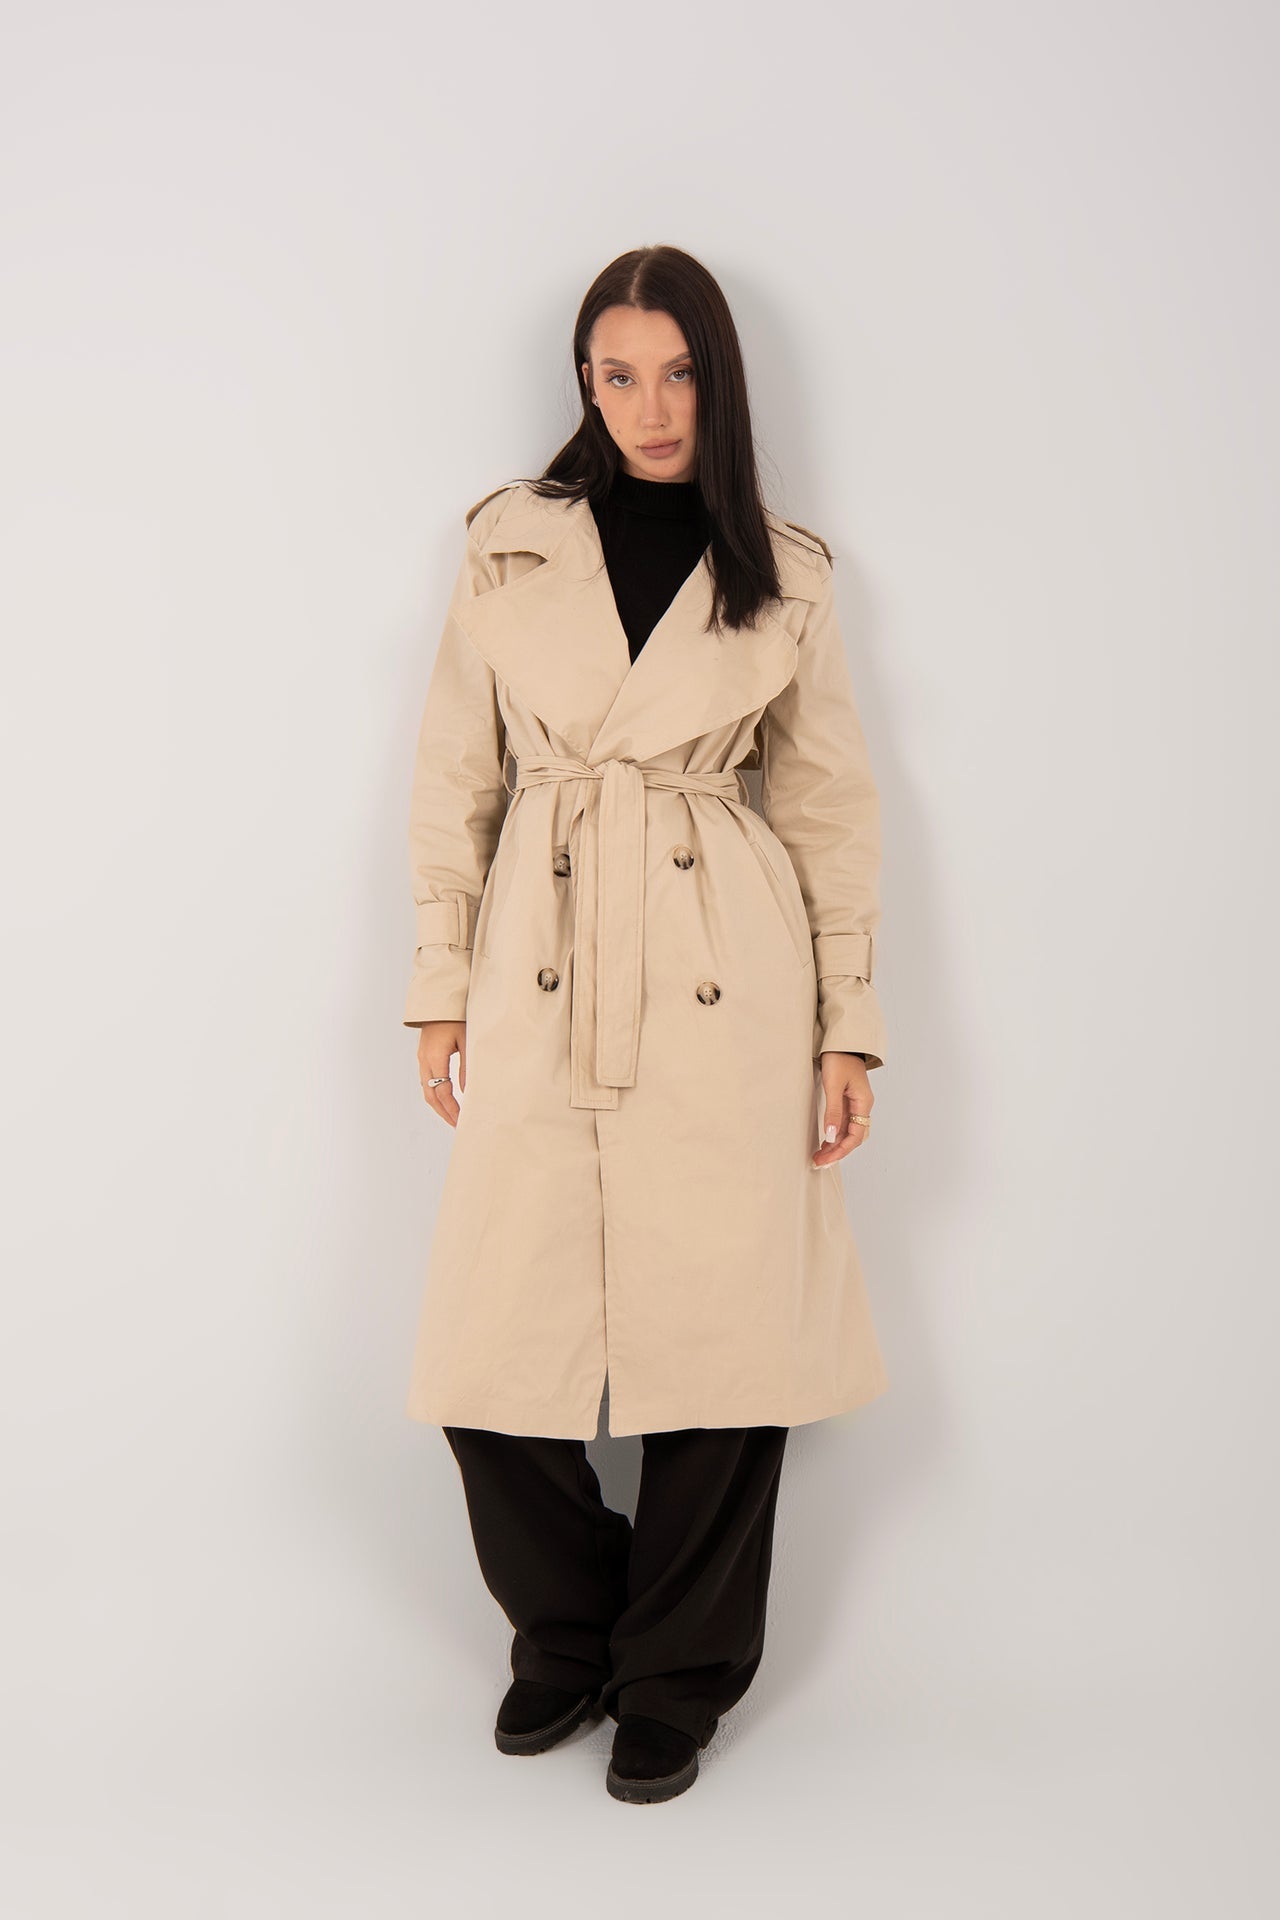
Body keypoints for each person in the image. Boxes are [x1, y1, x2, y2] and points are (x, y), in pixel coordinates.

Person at [401, 245, 889, 1804]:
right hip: (539, 959)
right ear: (585, 384)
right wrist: (438, 984)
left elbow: (826, 807)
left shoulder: (786, 571)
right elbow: (454, 783)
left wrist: (846, 1023)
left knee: (726, 1342)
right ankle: (570, 1634)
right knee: (490, 1348)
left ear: (718, 382)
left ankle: (674, 1676)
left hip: (723, 967)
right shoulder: (507, 547)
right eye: (618, 374)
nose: (650, 405)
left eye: (678, 373)